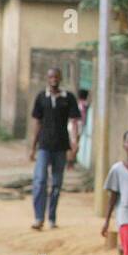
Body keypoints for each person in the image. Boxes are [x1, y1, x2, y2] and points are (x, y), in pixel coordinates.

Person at [29, 67, 80, 230]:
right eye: (51, 76)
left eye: (57, 77)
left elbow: (74, 122)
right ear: (47, 78)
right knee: (40, 181)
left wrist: (74, 142)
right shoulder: (41, 97)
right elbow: (37, 123)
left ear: (61, 78)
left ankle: (51, 218)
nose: (54, 79)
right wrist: (33, 147)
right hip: (44, 146)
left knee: (57, 184)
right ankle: (38, 218)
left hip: (61, 146)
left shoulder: (68, 98)